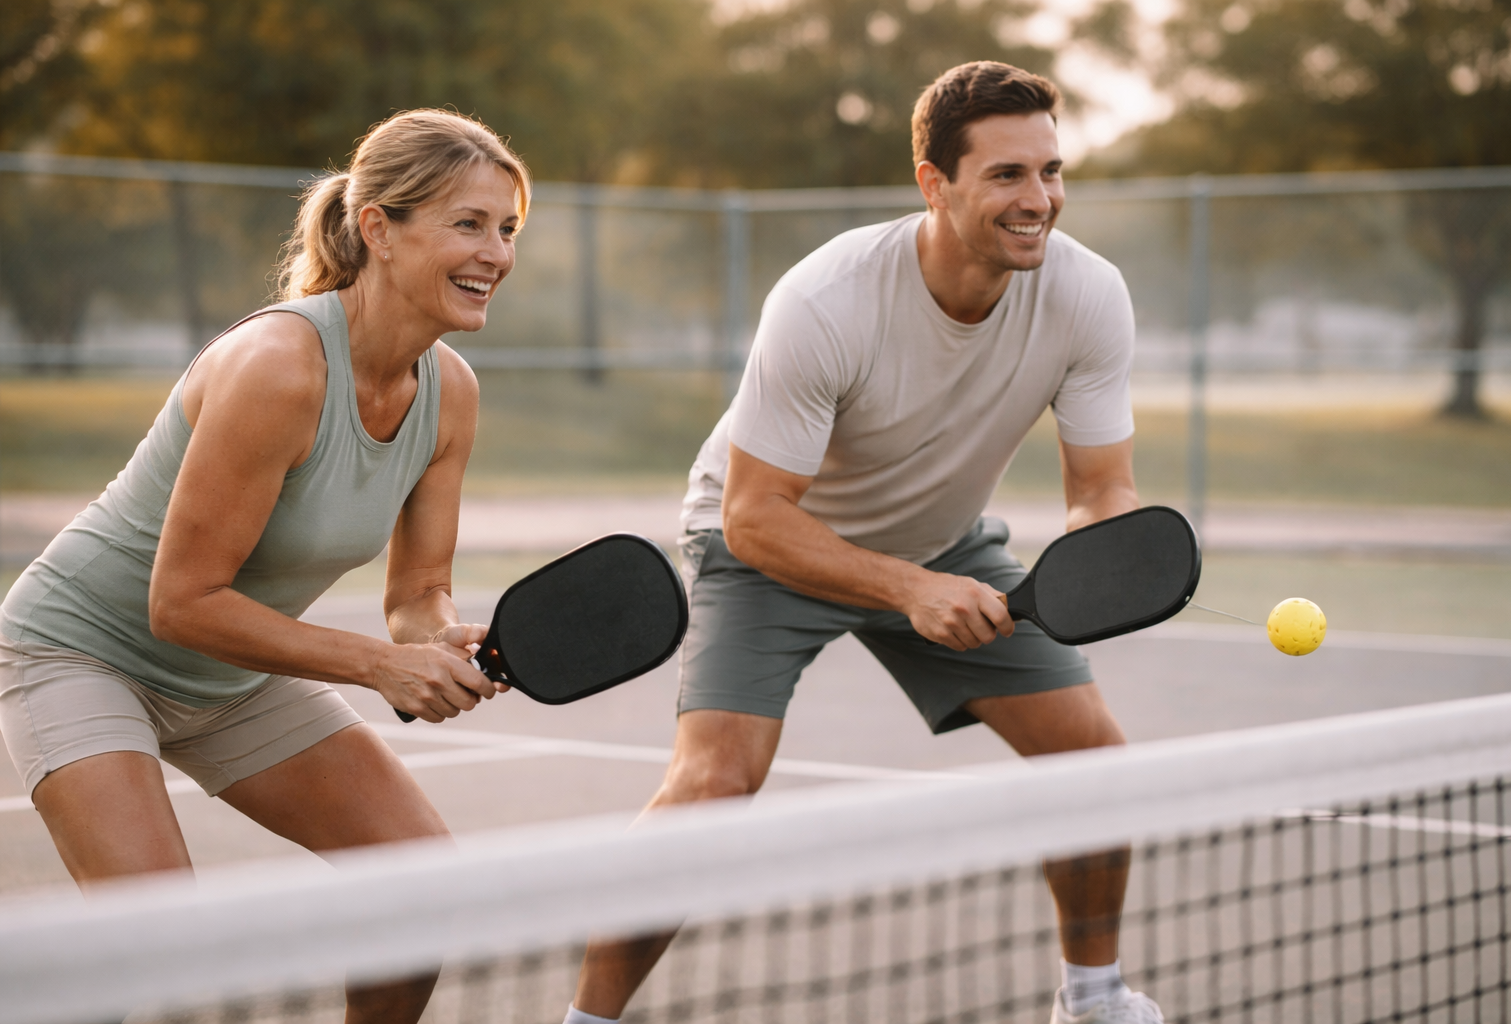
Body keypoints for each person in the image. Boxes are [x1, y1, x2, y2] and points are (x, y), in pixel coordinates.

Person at [565, 62, 1162, 1024]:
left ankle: (1093, 1000)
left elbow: (1102, 490)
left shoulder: (1088, 294)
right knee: (714, 786)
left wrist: (1101, 557)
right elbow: (755, 516)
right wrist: (905, 589)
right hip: (765, 545)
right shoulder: (830, 298)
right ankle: (584, 1023)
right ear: (935, 183)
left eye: (1051, 171)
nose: (1040, 199)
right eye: (1008, 175)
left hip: (943, 542)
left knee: (1095, 765)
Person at [0, 109, 528, 1024]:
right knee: (159, 949)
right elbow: (182, 604)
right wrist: (378, 663)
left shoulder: (452, 394)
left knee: (422, 895)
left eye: (508, 228)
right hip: (82, 654)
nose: (496, 254)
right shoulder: (278, 366)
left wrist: (436, 637)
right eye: (468, 224)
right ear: (379, 230)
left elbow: (415, 591)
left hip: (232, 673)